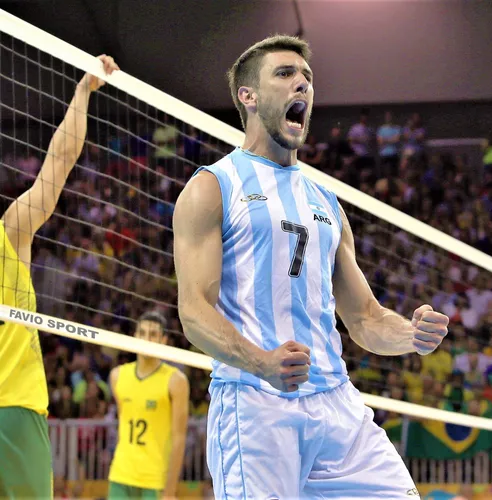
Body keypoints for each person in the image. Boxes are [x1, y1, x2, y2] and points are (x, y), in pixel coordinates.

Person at [173, 35, 449, 499]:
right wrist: (262, 363)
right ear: (249, 96)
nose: (301, 84)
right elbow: (193, 312)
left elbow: (364, 318)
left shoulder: (326, 201)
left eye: (307, 78)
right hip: (256, 404)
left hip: (337, 404)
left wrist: (410, 335)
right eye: (285, 74)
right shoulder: (213, 187)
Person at [0, 55, 118, 498]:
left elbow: (60, 159)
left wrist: (83, 90)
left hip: (14, 408)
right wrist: (83, 90)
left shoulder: (9, 232)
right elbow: (60, 161)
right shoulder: (11, 230)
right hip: (15, 409)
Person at [107, 312, 189, 500]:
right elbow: (123, 423)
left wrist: (170, 489)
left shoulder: (176, 381)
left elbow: (179, 438)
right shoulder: (117, 376)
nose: (146, 339)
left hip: (155, 480)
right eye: (142, 333)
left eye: (153, 335)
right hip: (121, 474)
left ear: (163, 340)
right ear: (135, 336)